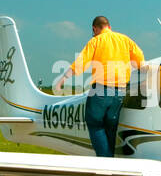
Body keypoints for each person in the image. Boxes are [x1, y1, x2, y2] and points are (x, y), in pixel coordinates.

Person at [53, 16, 144, 157]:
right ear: (109, 26)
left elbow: (80, 63)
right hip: (120, 92)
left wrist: (62, 80)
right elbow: (140, 63)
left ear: (95, 28)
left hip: (101, 90)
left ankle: (105, 161)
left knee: (94, 123)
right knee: (110, 128)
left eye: (93, 31)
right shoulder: (126, 40)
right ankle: (109, 160)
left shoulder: (96, 41)